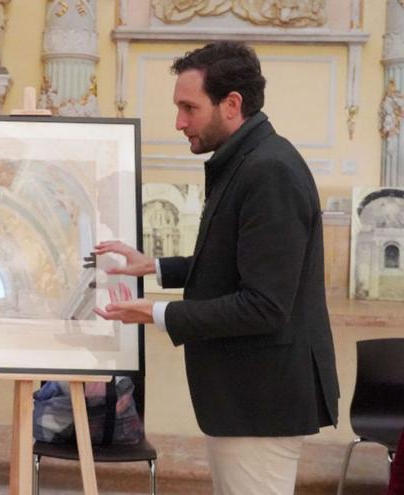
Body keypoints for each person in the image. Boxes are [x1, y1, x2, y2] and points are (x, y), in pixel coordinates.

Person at [92, 41, 339, 495]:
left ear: (231, 104)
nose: (179, 122)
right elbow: (236, 263)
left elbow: (264, 305)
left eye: (189, 107)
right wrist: (156, 266)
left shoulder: (269, 170)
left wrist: (156, 314)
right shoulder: (249, 160)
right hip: (247, 401)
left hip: (260, 405)